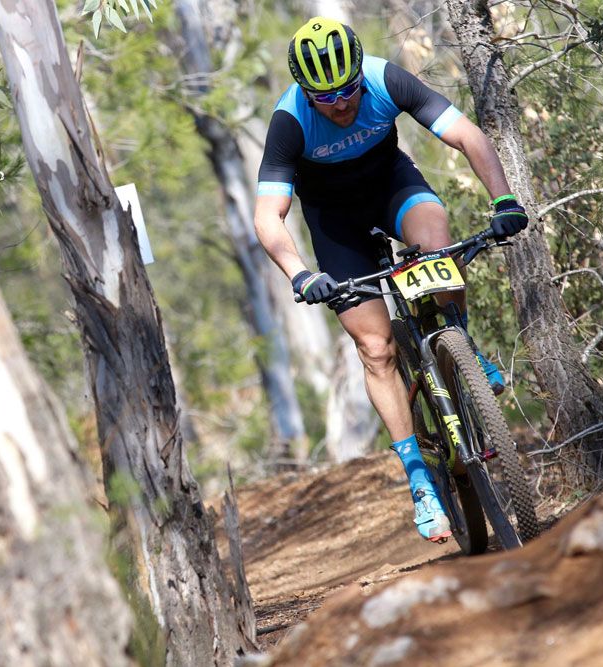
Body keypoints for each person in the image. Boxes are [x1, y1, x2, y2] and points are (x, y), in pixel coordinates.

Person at [254, 18, 529, 542]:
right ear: (305, 92)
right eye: (325, 97)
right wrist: (301, 273)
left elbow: (467, 134)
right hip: (336, 226)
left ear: (361, 73)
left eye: (348, 89)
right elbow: (269, 216)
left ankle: (461, 349)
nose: (340, 104)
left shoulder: (385, 79)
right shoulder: (289, 121)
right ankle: (420, 481)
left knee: (438, 243)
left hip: (391, 187)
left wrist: (503, 198)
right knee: (376, 348)